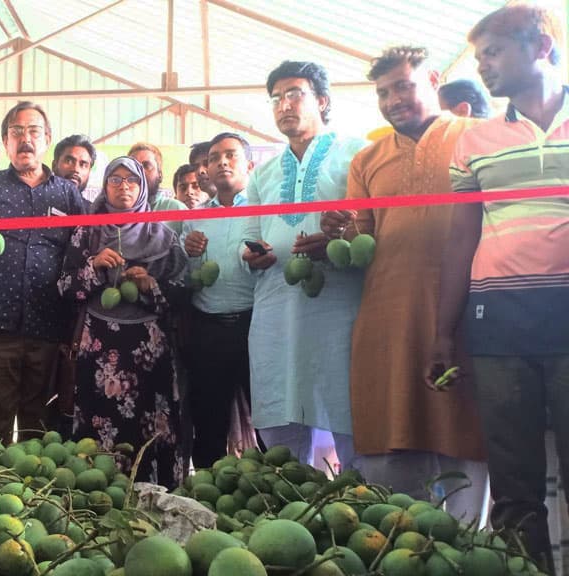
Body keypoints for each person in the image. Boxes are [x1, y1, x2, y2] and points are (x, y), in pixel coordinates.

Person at [320, 46, 488, 521]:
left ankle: (469, 543)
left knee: (466, 429)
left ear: (433, 79)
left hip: (464, 311)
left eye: (403, 86)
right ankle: (403, 545)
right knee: (395, 431)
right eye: (383, 92)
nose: (393, 99)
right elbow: (362, 239)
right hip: (388, 316)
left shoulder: (476, 137)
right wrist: (341, 231)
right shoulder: (368, 159)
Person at [430, 5, 569, 570]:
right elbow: (461, 238)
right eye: (478, 56)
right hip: (499, 324)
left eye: (494, 52)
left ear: (539, 46)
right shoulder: (474, 142)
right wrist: (443, 330)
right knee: (514, 490)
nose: (483, 66)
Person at [241, 61, 367, 470]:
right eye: (276, 98)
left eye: (295, 93)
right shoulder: (263, 173)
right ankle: (290, 514)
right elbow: (251, 237)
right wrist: (254, 255)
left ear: (323, 100)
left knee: (348, 409)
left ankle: (361, 508)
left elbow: (371, 230)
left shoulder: (356, 155)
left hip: (340, 305)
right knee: (281, 417)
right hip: (277, 307)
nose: (284, 104)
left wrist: (336, 241)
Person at [57, 156, 187, 486]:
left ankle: (153, 497)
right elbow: (65, 286)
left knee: (150, 426)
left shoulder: (163, 236)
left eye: (131, 180)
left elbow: (185, 293)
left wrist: (150, 286)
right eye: (115, 180)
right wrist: (95, 265)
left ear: (143, 188)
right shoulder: (86, 233)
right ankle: (98, 496)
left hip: (148, 349)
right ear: (105, 187)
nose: (123, 187)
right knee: (98, 428)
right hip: (99, 346)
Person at [0, 101, 87, 443]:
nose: (25, 139)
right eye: (16, 132)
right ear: (5, 141)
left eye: (34, 131)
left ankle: (30, 493)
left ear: (47, 139)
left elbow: (81, 251)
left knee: (38, 425)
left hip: (48, 327)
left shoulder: (68, 194)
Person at [181, 133, 257, 467]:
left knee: (269, 422)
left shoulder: (265, 211)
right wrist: (188, 253)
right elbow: (186, 277)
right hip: (207, 331)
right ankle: (208, 503)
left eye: (231, 155)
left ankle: (275, 496)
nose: (222, 162)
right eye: (214, 158)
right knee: (209, 424)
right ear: (205, 170)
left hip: (256, 328)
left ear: (249, 165)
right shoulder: (194, 216)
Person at [128, 142, 187, 233]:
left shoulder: (176, 209)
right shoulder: (117, 211)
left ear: (160, 175)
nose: (139, 171)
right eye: (133, 166)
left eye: (146, 166)